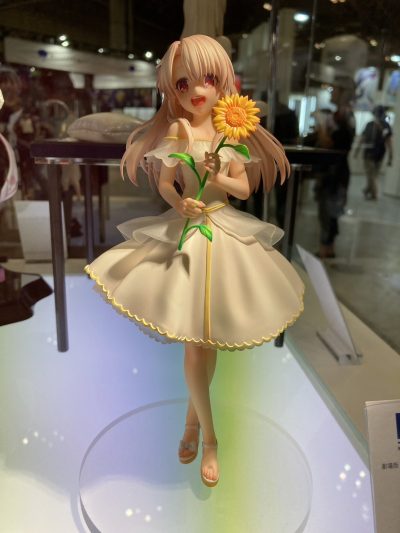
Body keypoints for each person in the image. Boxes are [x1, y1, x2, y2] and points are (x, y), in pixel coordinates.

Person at [84, 35, 304, 487]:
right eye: (182, 84)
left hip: (224, 232)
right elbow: (167, 184)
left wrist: (217, 172)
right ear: (172, 90)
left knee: (209, 340)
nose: (195, 91)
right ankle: (210, 438)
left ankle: (191, 424)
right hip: (187, 234)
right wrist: (180, 200)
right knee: (193, 345)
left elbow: (243, 189)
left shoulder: (231, 133)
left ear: (223, 82)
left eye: (206, 79)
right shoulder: (177, 132)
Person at [314, 108, 355, 258]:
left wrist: (321, 127)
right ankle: (329, 248)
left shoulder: (341, 133)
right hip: (337, 178)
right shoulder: (345, 133)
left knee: (328, 214)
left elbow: (326, 143)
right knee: (331, 215)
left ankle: (325, 248)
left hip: (333, 180)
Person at [355, 105, 393, 200]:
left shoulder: (379, 125)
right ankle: (368, 190)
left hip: (373, 154)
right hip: (376, 153)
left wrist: (357, 150)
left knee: (372, 175)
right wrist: (390, 156)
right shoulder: (377, 125)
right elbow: (389, 142)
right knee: (373, 175)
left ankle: (374, 193)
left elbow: (388, 141)